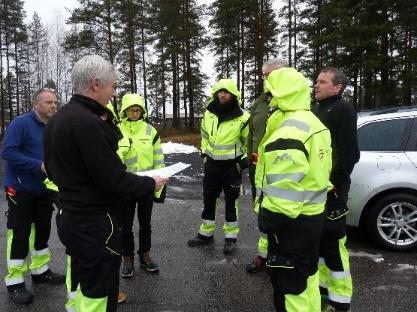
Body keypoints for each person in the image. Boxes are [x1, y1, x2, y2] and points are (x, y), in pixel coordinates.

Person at [43, 55, 167, 312]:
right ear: (96, 84)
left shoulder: (59, 119)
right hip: (94, 224)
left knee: (79, 281)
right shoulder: (88, 123)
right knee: (98, 293)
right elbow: (112, 179)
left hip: (69, 217)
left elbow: (52, 170)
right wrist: (150, 183)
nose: (115, 93)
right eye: (113, 86)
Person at [256, 67, 332, 311]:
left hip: (292, 223)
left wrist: (269, 221)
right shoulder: (313, 122)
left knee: (289, 289)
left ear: (281, 95)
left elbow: (284, 192)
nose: (269, 101)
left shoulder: (289, 131)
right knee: (307, 278)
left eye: (271, 95)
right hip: (313, 217)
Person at [2, 87, 65, 305]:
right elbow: (7, 152)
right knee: (19, 233)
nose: (53, 106)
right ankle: (15, 282)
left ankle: (40, 272)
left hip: (44, 189)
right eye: (48, 102)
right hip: (20, 188)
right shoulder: (21, 123)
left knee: (42, 230)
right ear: (35, 104)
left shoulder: (53, 126)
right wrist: (39, 166)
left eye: (55, 102)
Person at [312, 67, 359, 312]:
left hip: (333, 188)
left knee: (334, 243)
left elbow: (351, 154)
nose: (315, 85)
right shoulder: (316, 108)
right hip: (316, 188)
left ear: (337, 87)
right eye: (315, 81)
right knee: (319, 241)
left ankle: (340, 302)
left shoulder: (343, 109)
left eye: (322, 82)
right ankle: (321, 292)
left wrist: (333, 183)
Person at [188, 79, 249, 255]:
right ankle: (206, 234)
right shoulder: (209, 113)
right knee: (209, 199)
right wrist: (204, 154)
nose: (222, 95)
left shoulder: (244, 116)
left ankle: (231, 238)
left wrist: (241, 163)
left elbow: (249, 143)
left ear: (233, 95)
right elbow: (204, 136)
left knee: (231, 202)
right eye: (220, 91)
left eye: (226, 92)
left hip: (232, 167)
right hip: (212, 166)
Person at [245, 58, 288, 274]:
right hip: (258, 168)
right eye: (264, 75)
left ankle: (281, 256)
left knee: (283, 212)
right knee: (262, 211)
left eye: (269, 75)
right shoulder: (259, 102)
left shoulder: (292, 101)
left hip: (283, 170)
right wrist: (247, 159)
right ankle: (263, 255)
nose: (266, 79)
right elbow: (251, 133)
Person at [117, 93, 166, 277]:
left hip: (146, 185)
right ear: (125, 111)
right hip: (126, 186)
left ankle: (145, 255)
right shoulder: (117, 130)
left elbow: (158, 157)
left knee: (146, 224)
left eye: (138, 110)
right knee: (125, 226)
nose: (135, 113)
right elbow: (112, 159)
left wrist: (159, 181)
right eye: (131, 110)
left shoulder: (150, 131)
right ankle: (127, 259)